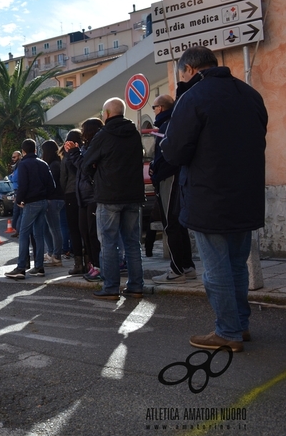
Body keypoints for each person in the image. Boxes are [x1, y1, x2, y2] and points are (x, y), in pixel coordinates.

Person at [161, 46, 267, 352]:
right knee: (236, 266)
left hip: (209, 197)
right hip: (246, 195)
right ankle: (240, 326)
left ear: (190, 70)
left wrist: (166, 141)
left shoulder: (192, 98)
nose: (181, 80)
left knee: (217, 269)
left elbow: (177, 150)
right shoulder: (250, 94)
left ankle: (227, 332)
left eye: (180, 74)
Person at [69, 98, 145, 300]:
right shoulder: (135, 134)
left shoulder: (104, 135)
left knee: (109, 243)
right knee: (132, 243)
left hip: (109, 195)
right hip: (134, 194)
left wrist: (75, 153)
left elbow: (86, 164)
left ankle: (111, 288)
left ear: (107, 114)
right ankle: (136, 286)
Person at [149, 94, 197, 284]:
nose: (153, 111)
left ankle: (176, 270)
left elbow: (169, 154)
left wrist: (157, 171)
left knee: (171, 225)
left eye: (154, 107)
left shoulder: (167, 125)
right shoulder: (171, 123)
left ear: (160, 108)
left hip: (170, 177)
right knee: (177, 223)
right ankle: (187, 266)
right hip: (171, 176)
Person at [5, 139, 55, 279]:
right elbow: (51, 184)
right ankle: (39, 267)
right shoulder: (43, 164)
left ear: (23, 151)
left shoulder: (24, 164)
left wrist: (20, 201)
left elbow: (23, 185)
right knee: (39, 235)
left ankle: (21, 268)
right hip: (43, 201)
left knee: (24, 233)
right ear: (35, 150)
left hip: (30, 203)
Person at [67, 119, 103, 281]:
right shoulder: (84, 148)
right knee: (84, 232)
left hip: (93, 196)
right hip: (82, 196)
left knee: (93, 233)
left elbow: (86, 167)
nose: (81, 133)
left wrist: (74, 153)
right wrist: (73, 153)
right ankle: (92, 264)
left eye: (83, 130)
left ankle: (98, 266)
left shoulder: (96, 146)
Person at [61, 129, 85, 275]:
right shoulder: (85, 153)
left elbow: (63, 179)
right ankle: (91, 262)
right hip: (85, 193)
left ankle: (78, 263)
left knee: (74, 230)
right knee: (87, 229)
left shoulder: (66, 157)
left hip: (71, 194)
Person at [41, 140, 64, 267]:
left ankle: (56, 255)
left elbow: (51, 184)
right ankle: (51, 252)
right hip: (57, 199)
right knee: (47, 228)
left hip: (53, 199)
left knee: (54, 228)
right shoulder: (56, 163)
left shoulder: (53, 165)